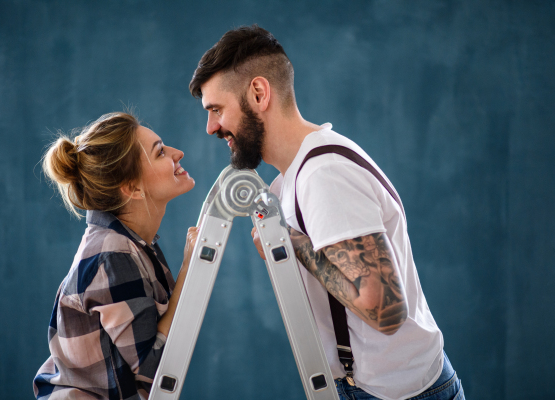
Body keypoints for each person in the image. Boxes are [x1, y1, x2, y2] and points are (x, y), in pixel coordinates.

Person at [189, 25, 465, 400]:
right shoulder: (293, 178)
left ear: (258, 92)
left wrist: (293, 246)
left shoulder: (324, 174)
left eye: (217, 110)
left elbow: (383, 309)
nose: (211, 128)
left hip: (396, 394)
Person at [33, 112, 198, 399]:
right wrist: (191, 269)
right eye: (160, 152)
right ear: (131, 188)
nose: (177, 153)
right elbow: (155, 372)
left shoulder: (133, 245)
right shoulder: (112, 256)